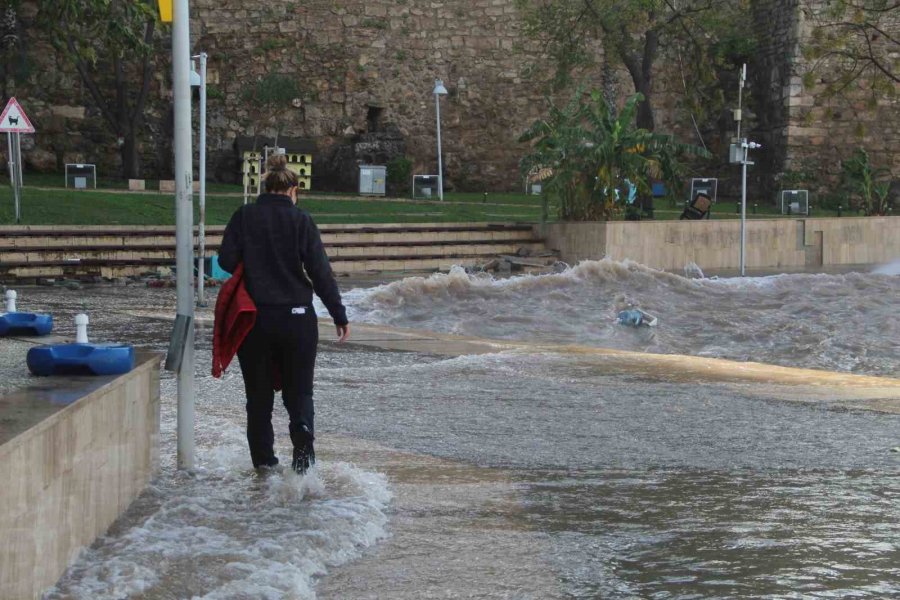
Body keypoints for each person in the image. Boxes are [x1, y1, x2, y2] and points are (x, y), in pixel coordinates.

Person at [218, 153, 350, 474]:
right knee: (300, 390)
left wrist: (255, 263)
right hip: (297, 318)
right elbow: (320, 272)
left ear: (266, 187)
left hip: (256, 320)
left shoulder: (245, 216)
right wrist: (339, 315)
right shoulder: (301, 220)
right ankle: (302, 444)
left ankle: (265, 468)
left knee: (259, 399)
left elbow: (224, 260)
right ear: (293, 191)